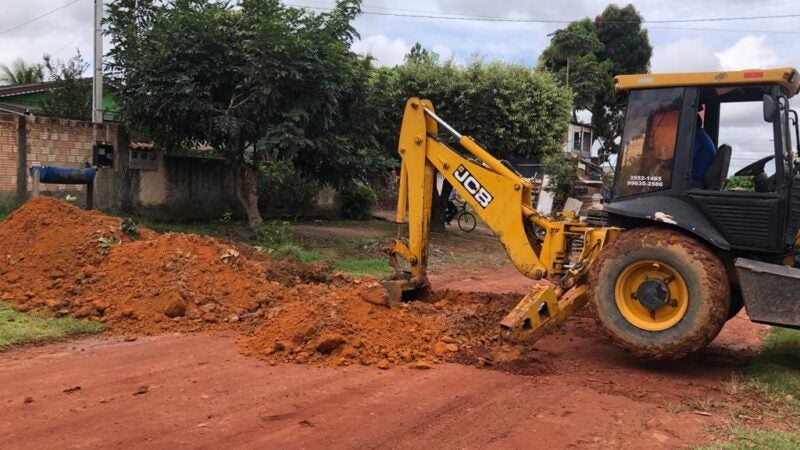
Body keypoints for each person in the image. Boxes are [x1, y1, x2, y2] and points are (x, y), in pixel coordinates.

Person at [692, 114, 716, 185]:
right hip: (698, 177)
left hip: (695, 179)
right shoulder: (702, 134)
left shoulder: (697, 136)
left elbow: (685, 159)